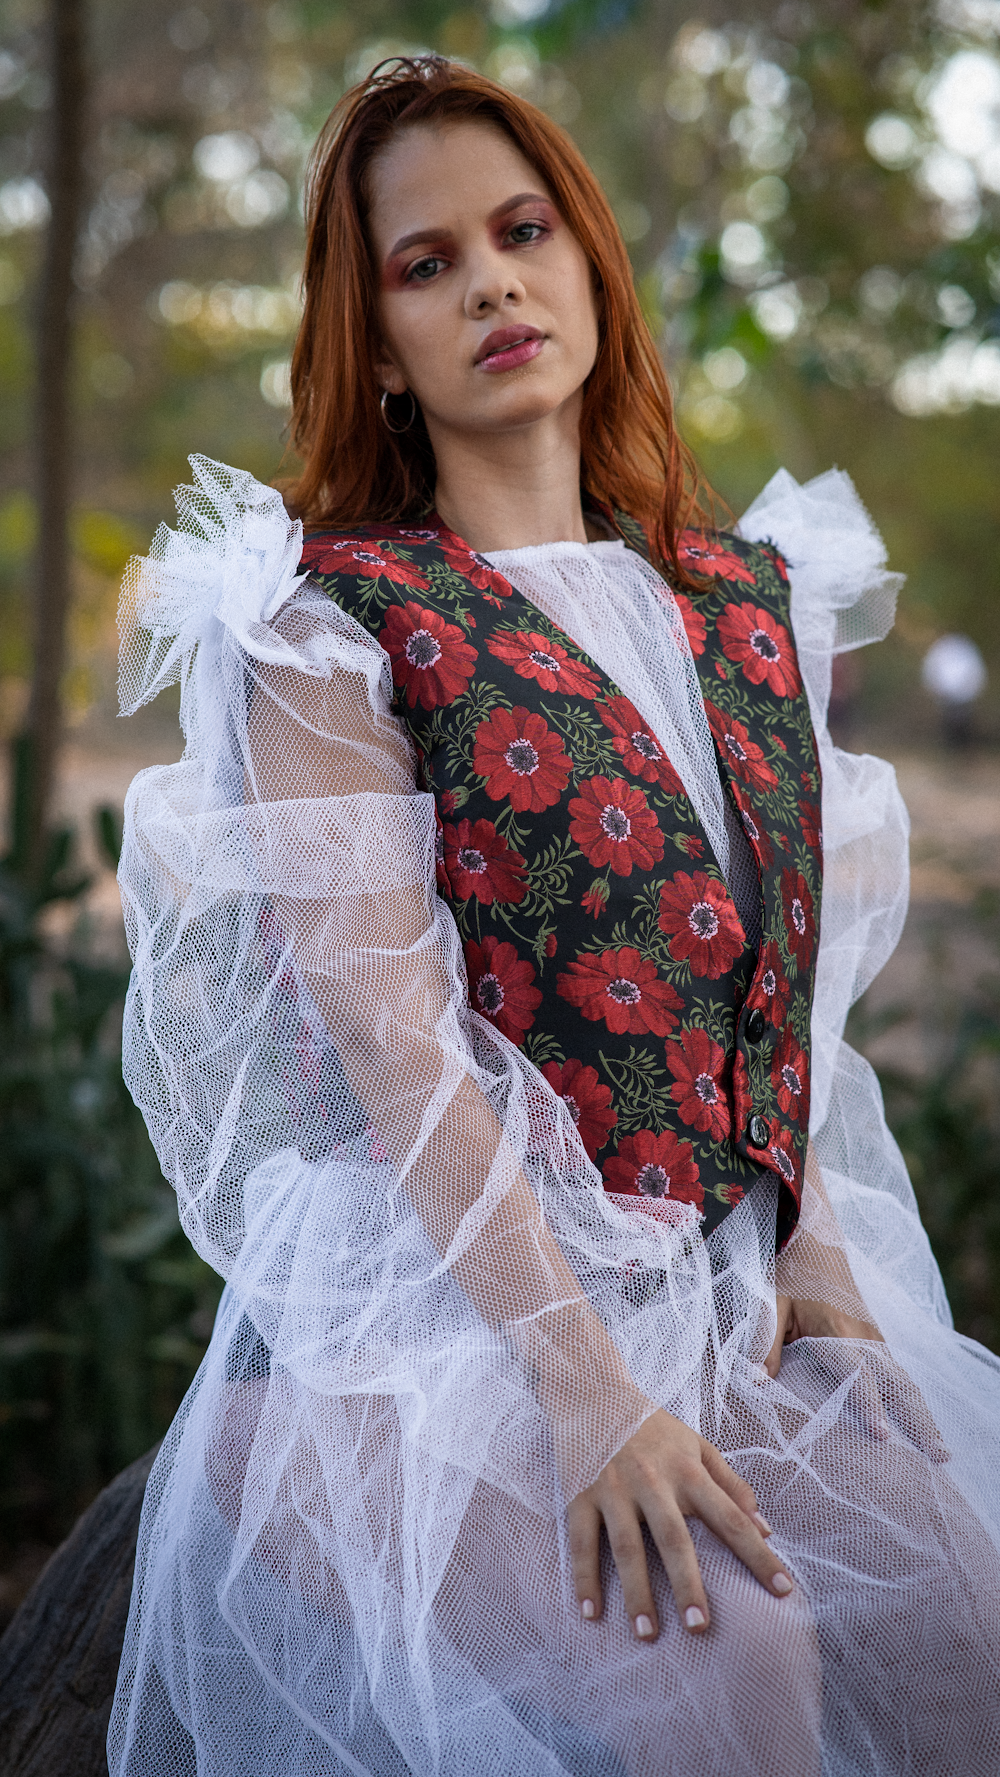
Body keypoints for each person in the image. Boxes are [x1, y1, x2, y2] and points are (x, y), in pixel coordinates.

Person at [108, 56, 1000, 1777]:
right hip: (444, 1331)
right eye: (427, 264)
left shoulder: (752, 597)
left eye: (524, 234)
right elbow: (392, 1039)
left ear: (591, 266)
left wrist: (814, 1261)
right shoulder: (328, 623)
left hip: (737, 1269)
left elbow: (784, 982)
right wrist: (590, 1394)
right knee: (729, 1673)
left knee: (958, 1633)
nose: (494, 282)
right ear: (375, 344)